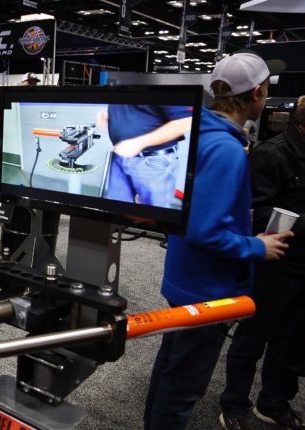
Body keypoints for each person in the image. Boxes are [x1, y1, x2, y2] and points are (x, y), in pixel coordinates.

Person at [143, 52, 293, 430]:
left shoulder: (196, 132)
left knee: (170, 369)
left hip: (184, 277)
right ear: (257, 93)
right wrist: (257, 247)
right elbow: (206, 230)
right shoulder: (226, 149)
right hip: (206, 289)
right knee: (183, 386)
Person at [218, 98, 305, 430]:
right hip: (274, 263)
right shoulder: (272, 154)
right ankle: (234, 405)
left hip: (301, 266)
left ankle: (273, 402)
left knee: (290, 340)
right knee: (252, 338)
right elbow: (254, 212)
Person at [100, 104, 193, 207]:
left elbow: (186, 121)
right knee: (117, 207)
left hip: (152, 161)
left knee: (153, 212)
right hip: (120, 156)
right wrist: (113, 115)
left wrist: (139, 143)